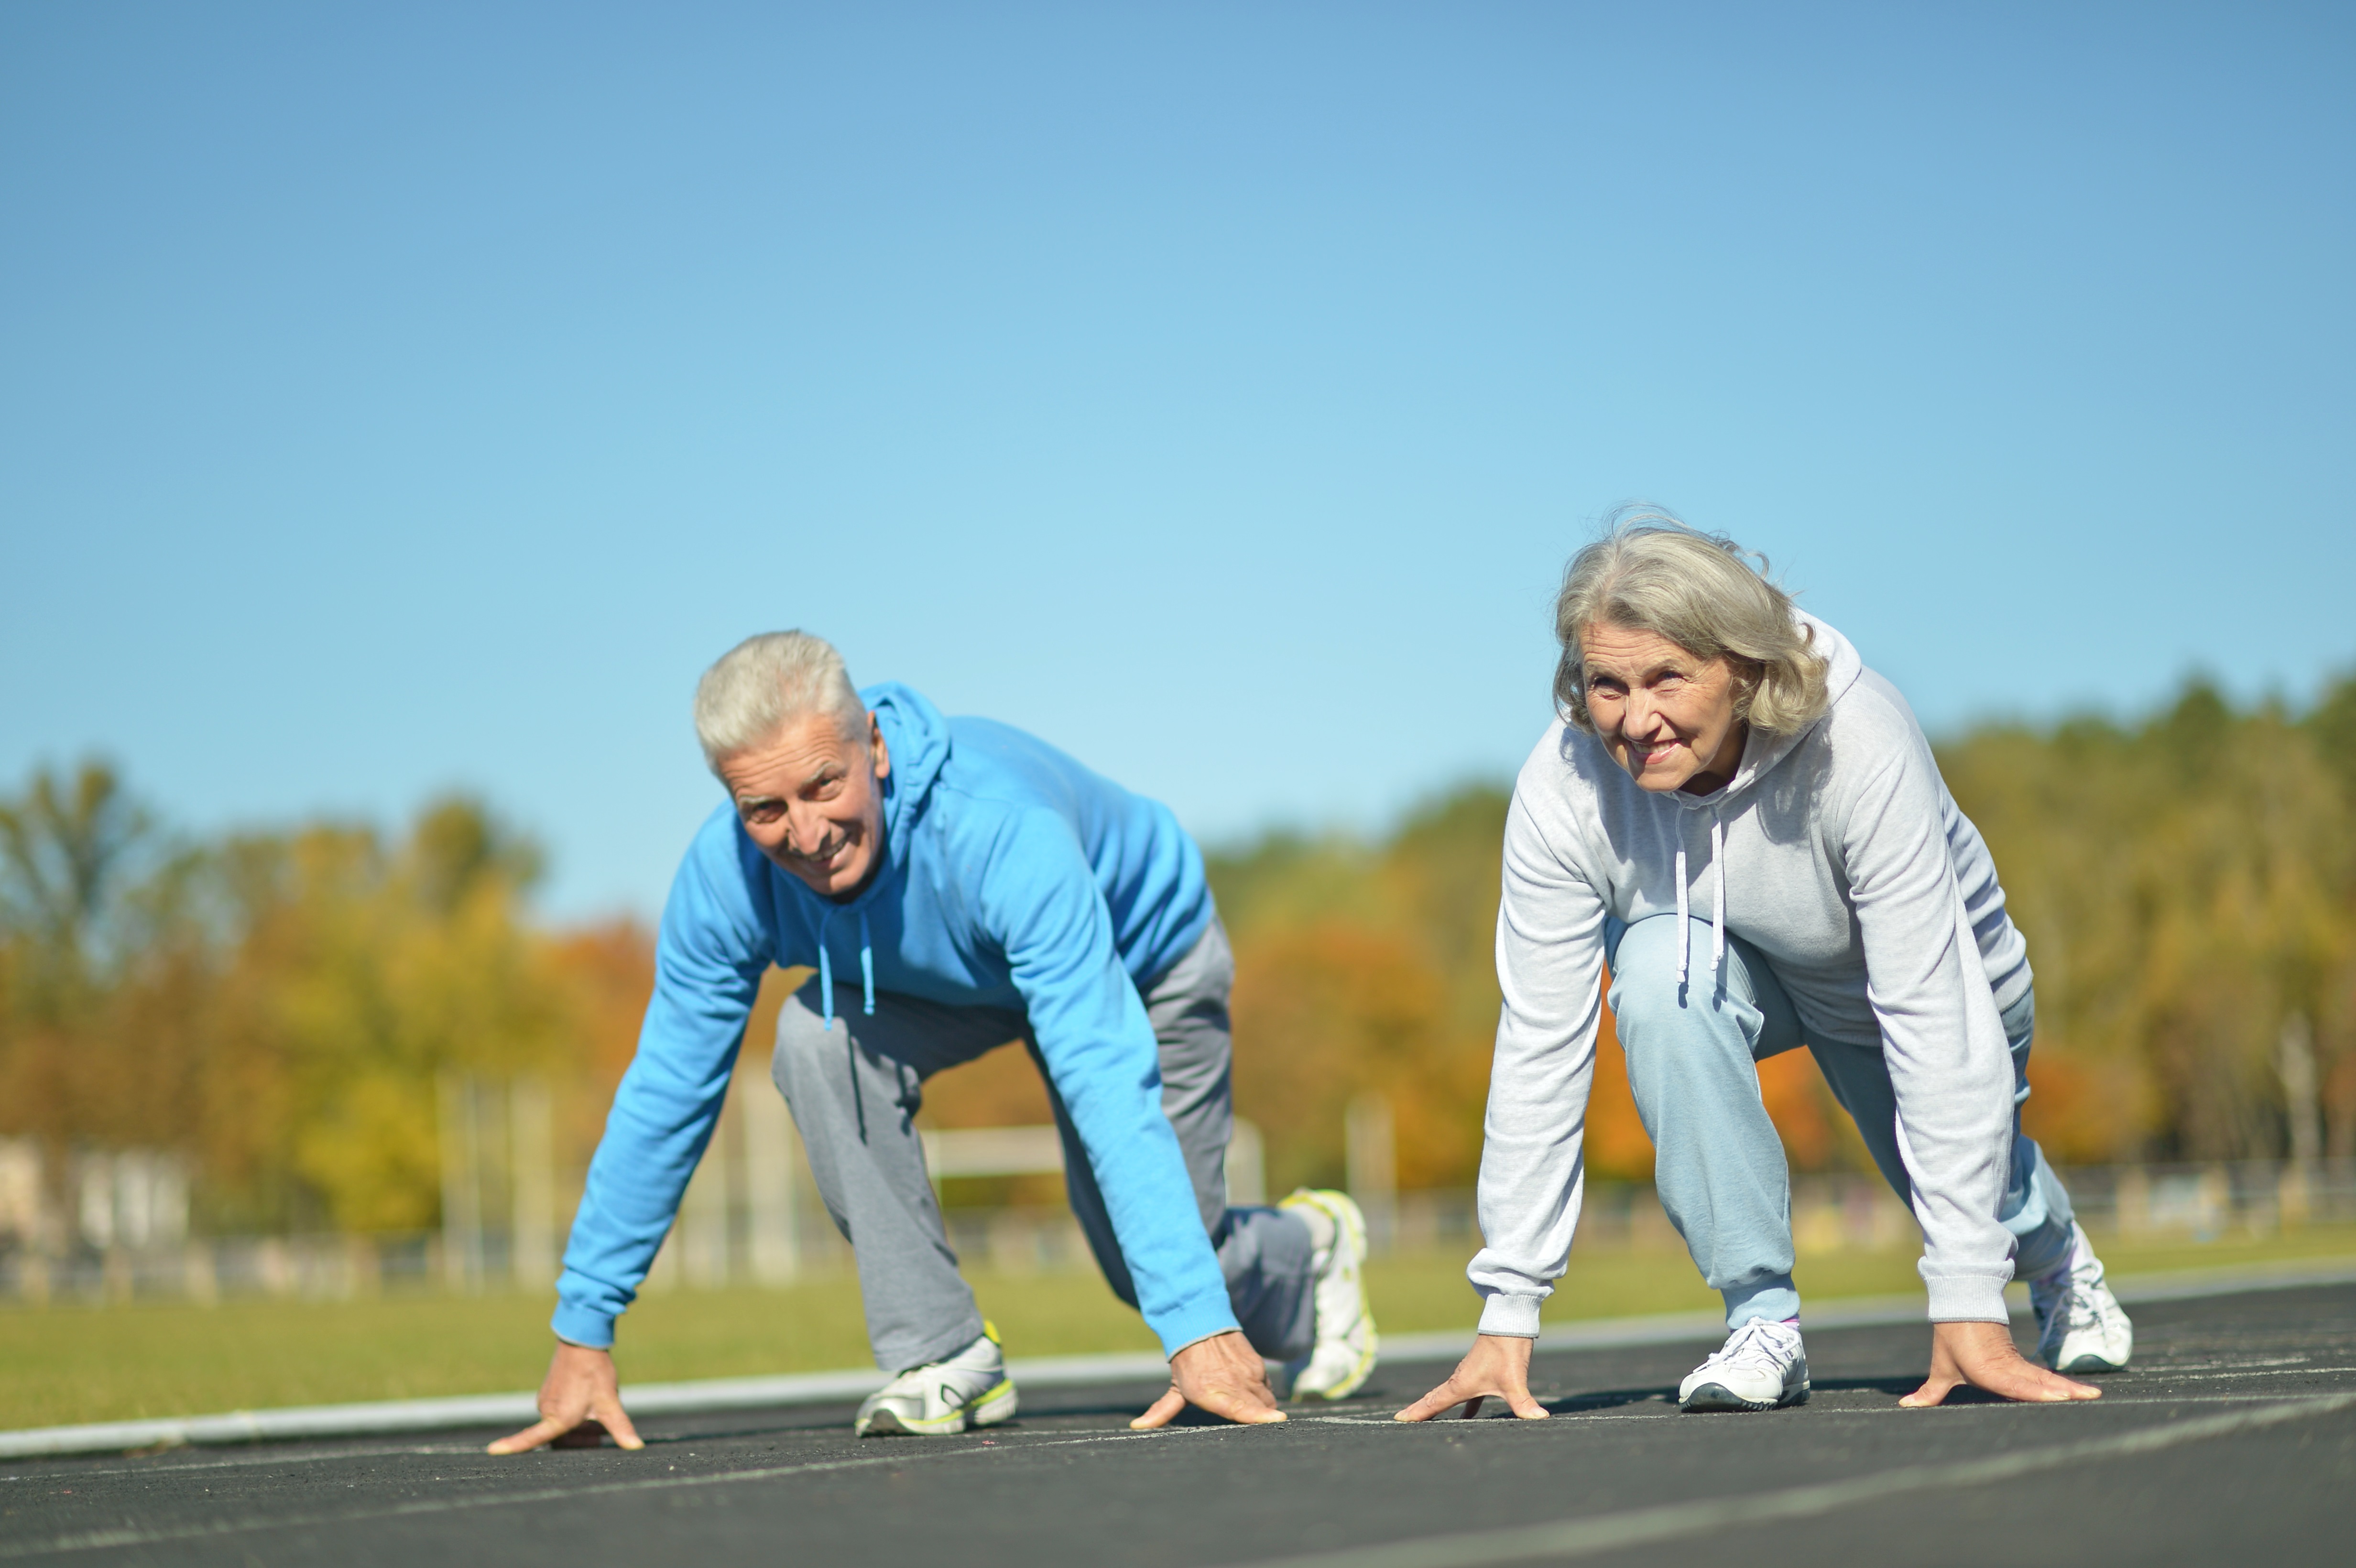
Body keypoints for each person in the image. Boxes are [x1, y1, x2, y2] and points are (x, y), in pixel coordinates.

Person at [490, 632, 1375, 1454]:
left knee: (1144, 1258)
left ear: (872, 748)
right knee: (813, 1035)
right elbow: (668, 1092)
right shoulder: (725, 883)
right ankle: (945, 1356)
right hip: (955, 983)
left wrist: (1192, 1327)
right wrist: (583, 1329)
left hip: (1144, 956)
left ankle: (1308, 1244)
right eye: (764, 808)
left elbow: (1105, 1073)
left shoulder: (998, 831)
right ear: (732, 799)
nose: (805, 837)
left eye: (824, 786)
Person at [1401, 514, 2132, 1423]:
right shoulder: (1563, 789)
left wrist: (1968, 1305)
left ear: (1742, 668)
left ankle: (2057, 1259)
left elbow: (1933, 1017)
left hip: (1926, 983)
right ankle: (1762, 1325)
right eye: (1607, 686)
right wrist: (1507, 1311)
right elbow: (1541, 1045)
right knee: (1657, 971)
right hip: (1752, 974)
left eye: (1667, 676)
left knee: (1974, 1184)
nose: (1637, 721)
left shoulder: (1859, 741)